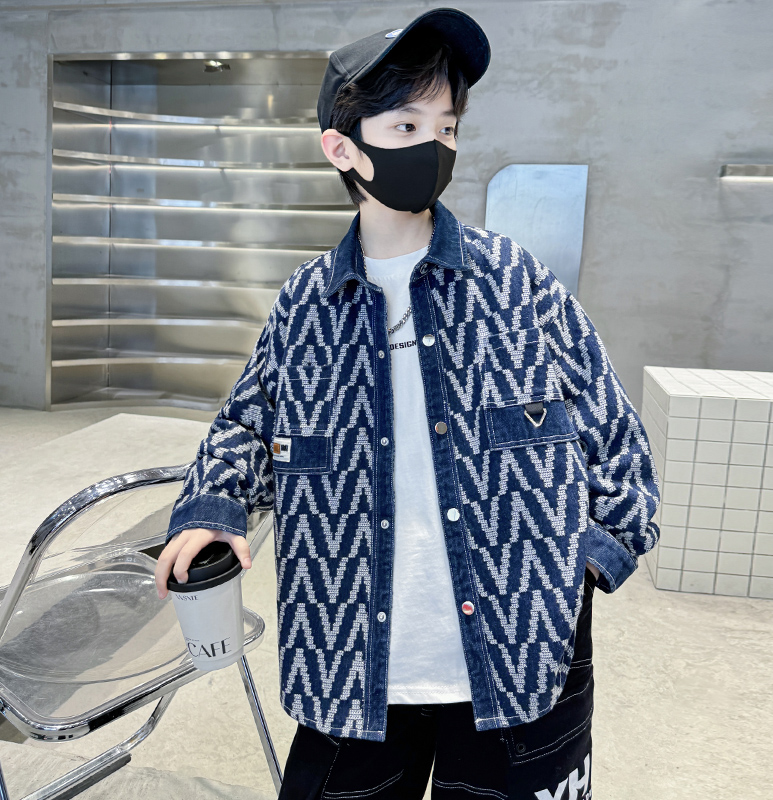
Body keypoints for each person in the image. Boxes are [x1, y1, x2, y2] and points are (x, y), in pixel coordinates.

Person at [155, 8, 661, 799]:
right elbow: (247, 424)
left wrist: (579, 572)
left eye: (446, 125)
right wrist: (212, 509)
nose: (435, 145)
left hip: (520, 664)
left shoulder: (515, 284)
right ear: (342, 148)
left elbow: (618, 442)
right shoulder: (305, 306)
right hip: (348, 663)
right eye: (406, 125)